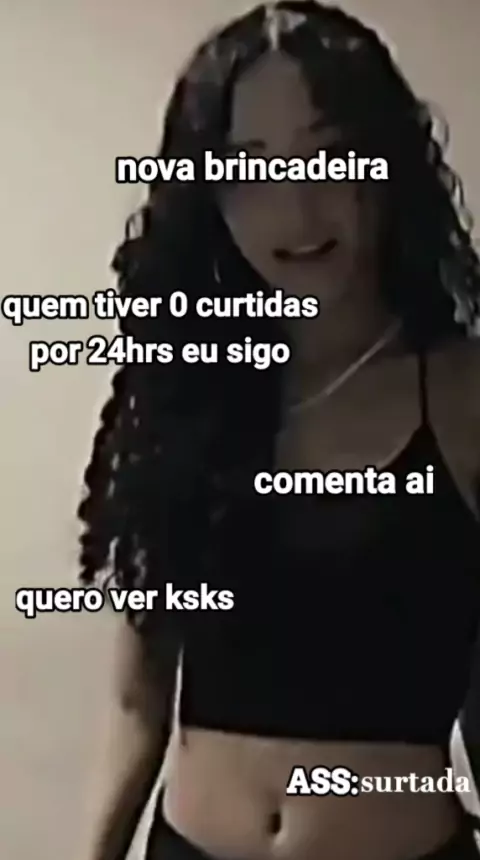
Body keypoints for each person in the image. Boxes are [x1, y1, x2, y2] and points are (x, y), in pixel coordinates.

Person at [77, 2, 480, 859]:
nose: (296, 208)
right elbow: (137, 703)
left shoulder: (460, 391)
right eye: (251, 169)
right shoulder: (182, 393)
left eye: (328, 156)